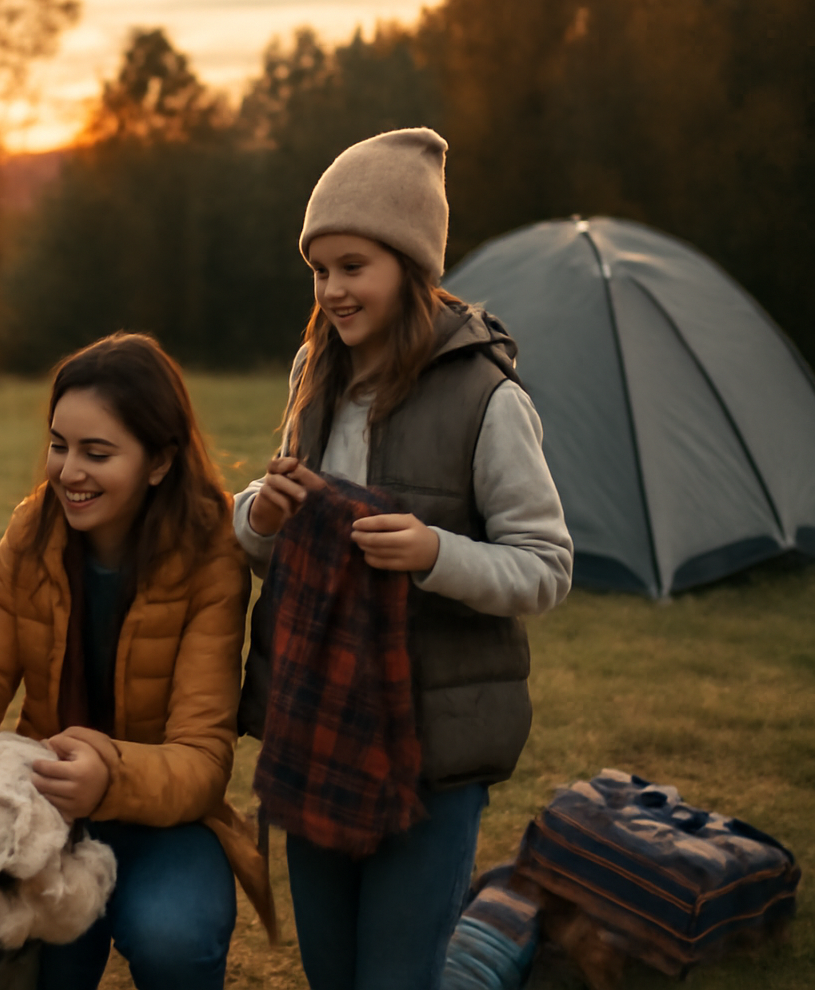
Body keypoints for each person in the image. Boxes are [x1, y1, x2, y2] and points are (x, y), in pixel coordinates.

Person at [232, 127, 574, 990]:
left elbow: (545, 567)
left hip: (431, 753)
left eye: (354, 266)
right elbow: (271, 535)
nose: (333, 291)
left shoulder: (487, 398)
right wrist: (260, 515)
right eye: (320, 270)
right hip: (316, 725)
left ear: (411, 265)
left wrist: (433, 553)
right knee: (331, 971)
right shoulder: (314, 371)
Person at [0, 332, 272, 990]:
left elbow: (202, 758)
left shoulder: (211, 551)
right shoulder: (31, 530)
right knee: (29, 952)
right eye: (60, 445)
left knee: (173, 936)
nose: (68, 471)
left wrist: (108, 775)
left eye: (96, 453)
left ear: (160, 461)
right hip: (43, 804)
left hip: (167, 816)